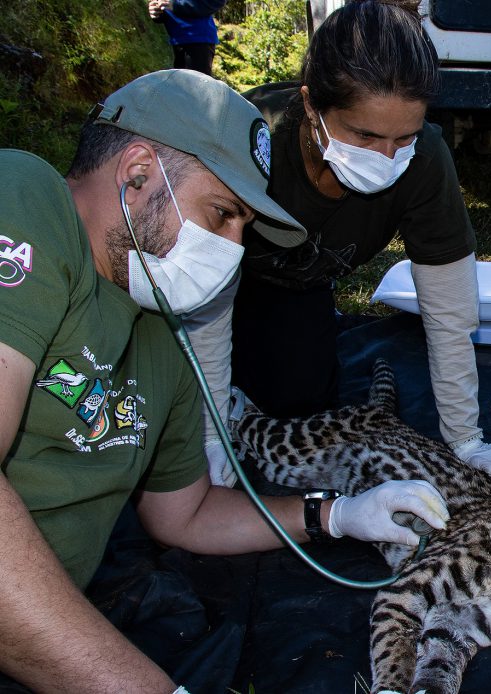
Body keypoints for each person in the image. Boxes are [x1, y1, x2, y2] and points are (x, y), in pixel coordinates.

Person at [0, 68, 449, 692]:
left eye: (244, 227)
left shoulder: (164, 334)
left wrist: (335, 515)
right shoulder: (25, 200)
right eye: (222, 214)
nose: (235, 249)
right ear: (136, 175)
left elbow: (184, 515)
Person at [190, 0, 491, 486]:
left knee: (298, 399)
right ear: (310, 105)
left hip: (300, 287)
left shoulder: (424, 160)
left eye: (402, 137)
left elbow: (450, 313)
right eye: (364, 135)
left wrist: (465, 439)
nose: (386, 158)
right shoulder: (250, 144)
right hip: (209, 281)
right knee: (163, 396)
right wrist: (209, 430)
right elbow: (206, 295)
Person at [148, 0, 226, 76]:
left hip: (199, 40)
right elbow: (166, 7)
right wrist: (157, 12)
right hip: (176, 40)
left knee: (196, 87)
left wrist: (176, 6)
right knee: (180, 87)